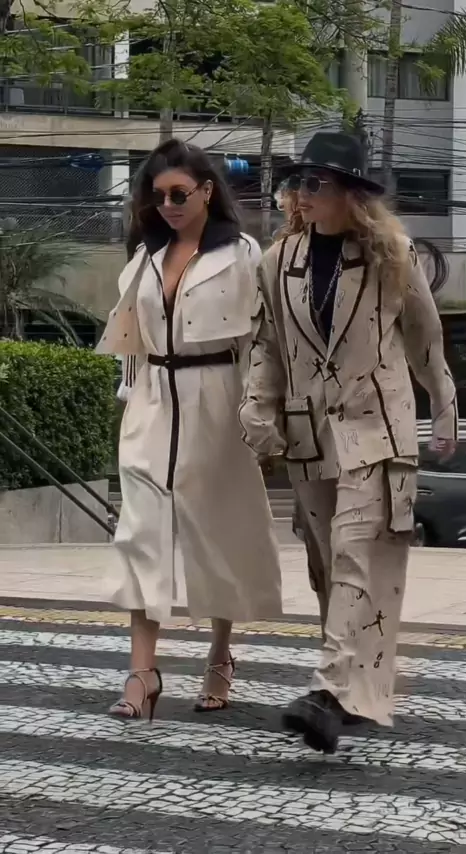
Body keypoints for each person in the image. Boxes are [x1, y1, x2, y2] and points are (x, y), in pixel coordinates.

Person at [239, 131, 457, 754]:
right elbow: (268, 344)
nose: (302, 194)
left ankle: (327, 690)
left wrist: (444, 406)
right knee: (330, 568)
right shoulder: (277, 261)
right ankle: (357, 694)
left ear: (351, 195)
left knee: (359, 554)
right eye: (299, 182)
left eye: (317, 183)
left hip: (378, 427)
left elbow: (424, 338)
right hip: (309, 433)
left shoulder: (392, 255)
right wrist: (257, 407)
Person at [97, 138, 282, 720]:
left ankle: (221, 653)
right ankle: (141, 673)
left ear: (206, 191)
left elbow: (261, 339)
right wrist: (129, 397)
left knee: (218, 530)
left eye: (179, 194)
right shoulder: (144, 256)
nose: (168, 206)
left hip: (218, 398)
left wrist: (260, 410)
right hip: (152, 400)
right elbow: (133, 337)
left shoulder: (243, 253)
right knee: (140, 535)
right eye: (157, 197)